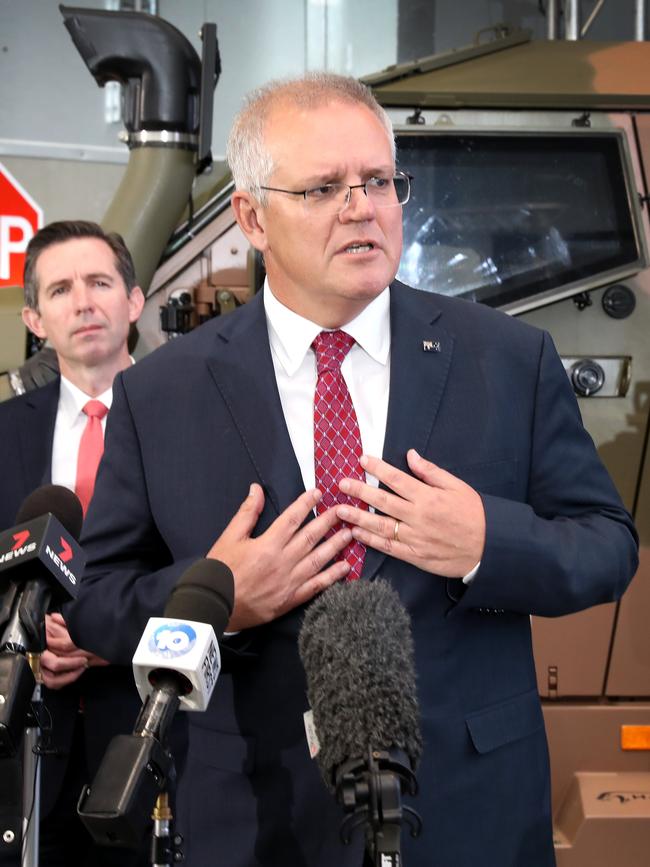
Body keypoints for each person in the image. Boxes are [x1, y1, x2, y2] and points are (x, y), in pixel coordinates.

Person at [66, 75, 638, 867]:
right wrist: (220, 596)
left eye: (377, 181)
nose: (361, 206)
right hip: (256, 820)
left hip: (471, 811)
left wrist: (484, 542)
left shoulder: (506, 359)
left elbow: (608, 546)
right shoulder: (161, 394)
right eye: (325, 187)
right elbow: (98, 603)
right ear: (251, 216)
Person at [0, 220, 147, 867]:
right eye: (60, 289)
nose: (83, 302)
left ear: (134, 301)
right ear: (34, 317)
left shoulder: (194, 416)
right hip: (28, 746)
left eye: (99, 282)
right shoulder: (5, 432)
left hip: (154, 739)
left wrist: (103, 639)